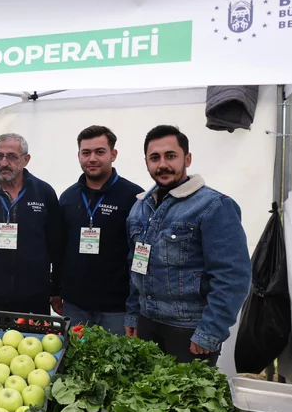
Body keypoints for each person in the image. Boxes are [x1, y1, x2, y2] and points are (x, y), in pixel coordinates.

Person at [125, 125, 251, 365]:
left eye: (171, 155)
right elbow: (136, 266)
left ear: (187, 158)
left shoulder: (214, 206)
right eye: (155, 158)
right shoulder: (140, 207)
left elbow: (232, 276)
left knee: (185, 391)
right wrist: (133, 314)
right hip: (147, 322)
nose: (162, 164)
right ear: (146, 162)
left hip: (190, 330)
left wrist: (210, 331)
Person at [52, 126, 143, 333]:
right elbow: (59, 248)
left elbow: (140, 254)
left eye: (100, 152)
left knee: (115, 354)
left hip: (117, 308)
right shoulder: (68, 198)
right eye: (86, 153)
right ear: (79, 156)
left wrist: (136, 306)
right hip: (75, 305)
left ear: (113, 154)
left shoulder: (134, 197)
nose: (92, 159)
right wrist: (55, 289)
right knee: (75, 353)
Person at [0, 133, 60, 314]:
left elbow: (56, 245)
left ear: (26, 159)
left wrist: (56, 288)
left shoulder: (44, 193)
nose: (4, 163)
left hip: (34, 296)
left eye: (11, 156)